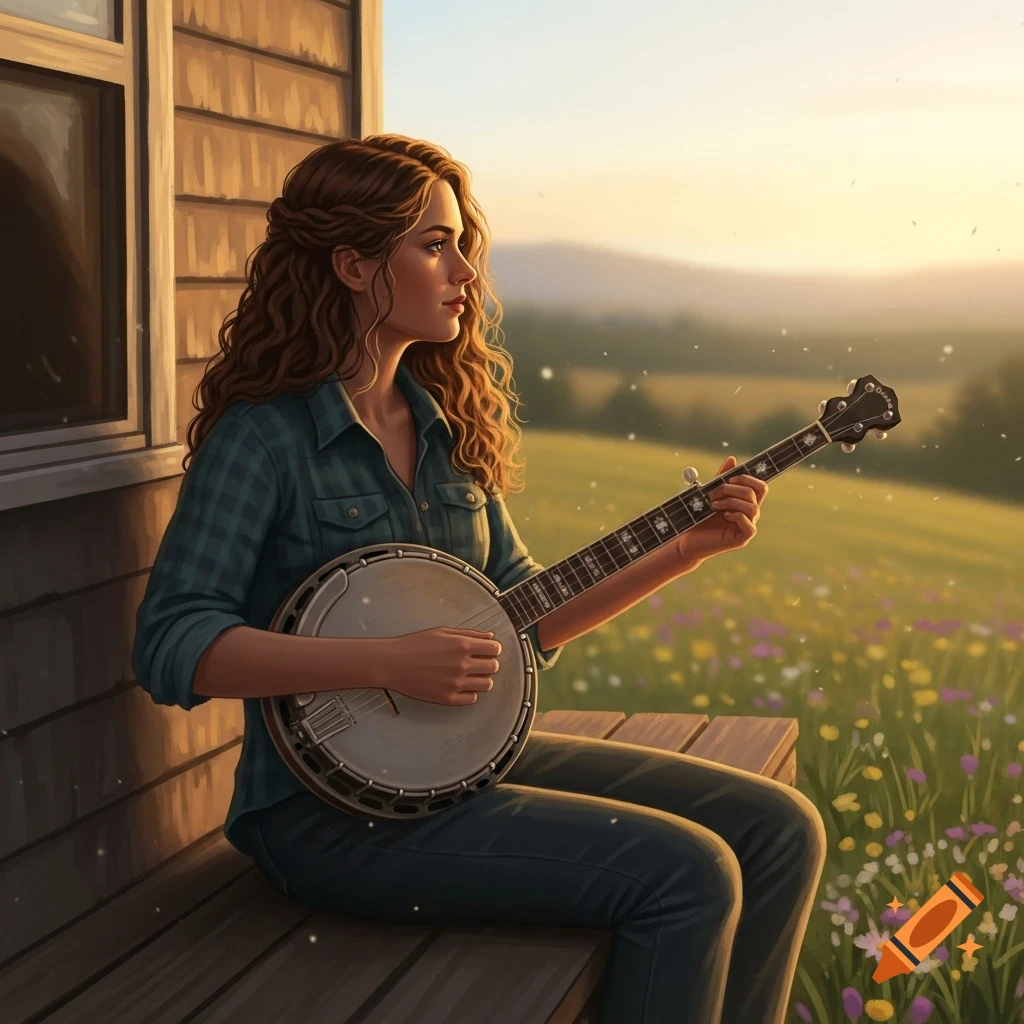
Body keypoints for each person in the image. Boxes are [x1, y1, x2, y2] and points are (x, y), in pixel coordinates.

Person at [132, 135, 826, 1024]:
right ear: (352, 265)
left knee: (779, 830)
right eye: (435, 246)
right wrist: (382, 662)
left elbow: (525, 613)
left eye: (462, 244)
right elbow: (171, 643)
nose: (465, 271)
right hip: (325, 820)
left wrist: (684, 549)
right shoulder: (263, 440)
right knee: (689, 874)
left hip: (461, 765)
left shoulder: (444, 427)